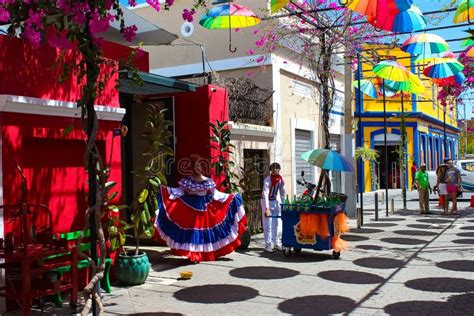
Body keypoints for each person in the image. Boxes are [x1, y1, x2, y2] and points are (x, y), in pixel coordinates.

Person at [154, 155, 247, 262]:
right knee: (193, 234)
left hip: (204, 210)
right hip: (190, 211)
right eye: (195, 166)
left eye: (199, 165)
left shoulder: (207, 181)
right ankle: (193, 255)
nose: (198, 168)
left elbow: (215, 195)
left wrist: (231, 197)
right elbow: (179, 192)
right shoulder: (186, 181)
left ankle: (203, 254)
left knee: (203, 234)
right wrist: (165, 190)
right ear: (192, 167)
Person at [261, 162, 286, 253]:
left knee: (276, 223)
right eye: (273, 168)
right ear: (271, 170)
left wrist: (284, 204)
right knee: (268, 223)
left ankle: (276, 242)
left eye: (277, 168)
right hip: (266, 201)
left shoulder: (280, 179)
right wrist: (267, 208)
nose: (275, 170)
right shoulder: (267, 180)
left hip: (275, 201)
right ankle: (268, 244)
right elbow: (265, 193)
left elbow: (282, 192)